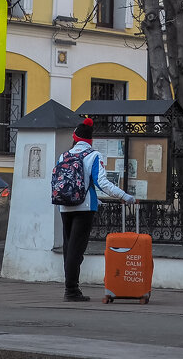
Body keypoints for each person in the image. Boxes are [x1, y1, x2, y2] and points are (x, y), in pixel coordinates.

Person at [58, 117, 136, 302]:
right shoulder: (93, 156)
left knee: (69, 248)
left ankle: (70, 287)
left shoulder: (64, 156)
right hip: (85, 207)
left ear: (74, 137)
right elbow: (102, 183)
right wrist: (125, 196)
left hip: (65, 206)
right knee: (77, 249)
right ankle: (71, 290)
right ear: (90, 140)